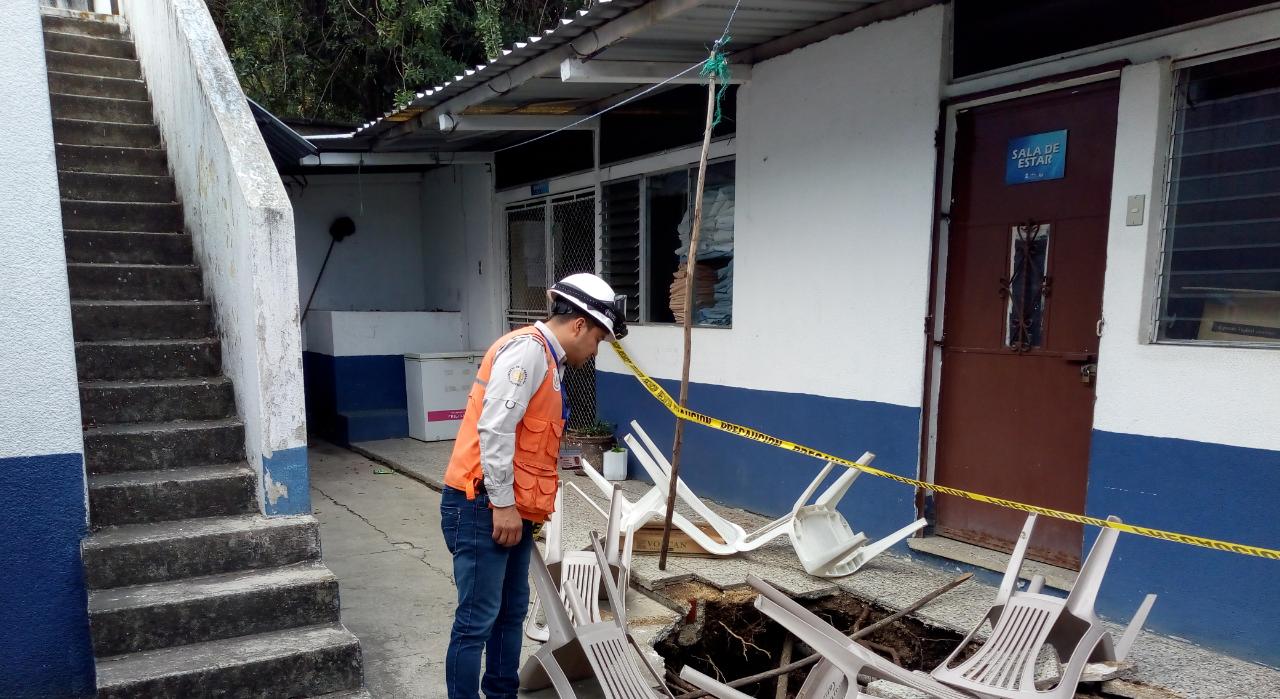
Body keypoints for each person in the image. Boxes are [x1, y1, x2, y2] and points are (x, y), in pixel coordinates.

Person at [440, 272, 628, 699]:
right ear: (579, 325)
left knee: (510, 614)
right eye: (598, 340)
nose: (596, 351)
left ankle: (502, 694)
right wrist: (503, 505)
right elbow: (496, 430)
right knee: (476, 621)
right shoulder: (528, 353)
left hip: (513, 509)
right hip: (482, 505)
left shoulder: (550, 361)